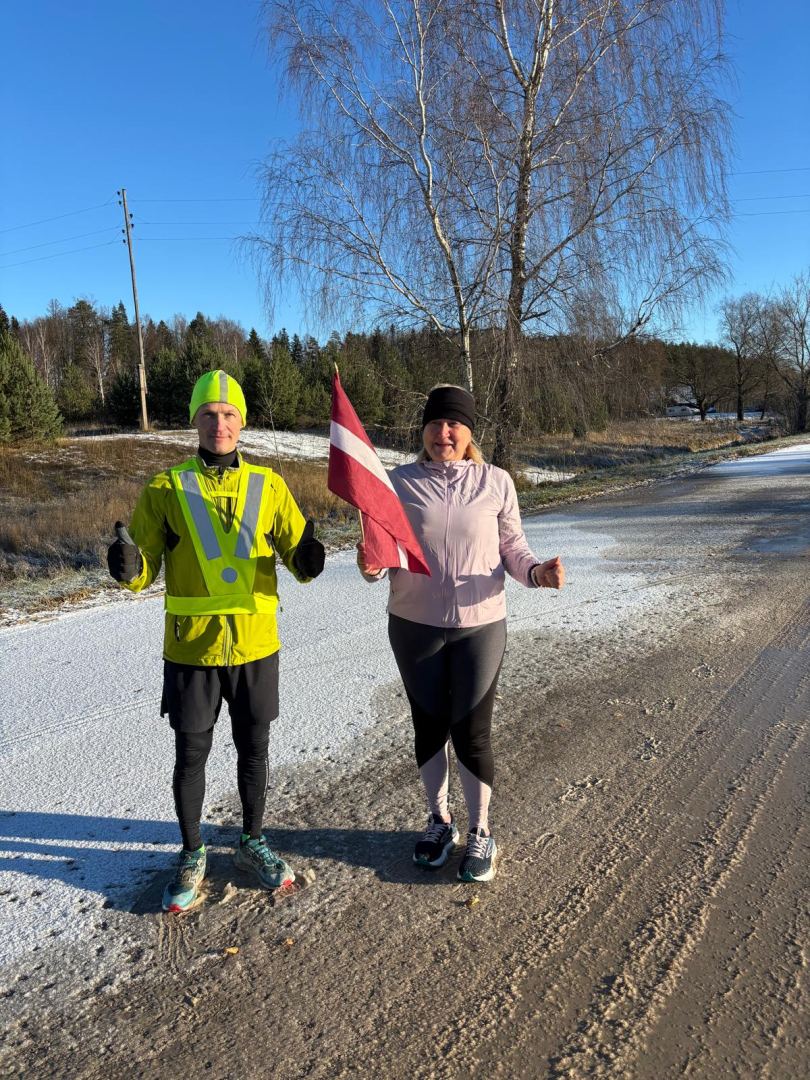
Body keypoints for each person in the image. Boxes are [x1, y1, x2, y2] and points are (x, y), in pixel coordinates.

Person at [107, 370, 325, 912]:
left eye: (229, 415)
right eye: (208, 414)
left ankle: (253, 842)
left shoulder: (269, 485)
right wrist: (128, 568)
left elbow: (297, 556)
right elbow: (144, 569)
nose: (219, 424)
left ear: (242, 422)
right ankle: (192, 852)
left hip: (255, 646)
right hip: (192, 649)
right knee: (191, 755)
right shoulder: (165, 488)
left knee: (254, 750)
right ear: (194, 421)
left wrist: (309, 558)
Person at [357, 384, 564, 883]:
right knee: (429, 727)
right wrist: (371, 567)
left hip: (480, 625)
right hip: (414, 623)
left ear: (469, 432)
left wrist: (535, 573)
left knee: (472, 732)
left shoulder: (496, 482)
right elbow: (383, 552)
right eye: (434, 423)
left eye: (453, 424)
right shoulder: (397, 483)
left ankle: (481, 831)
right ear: (423, 430)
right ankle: (439, 821)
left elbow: (512, 546)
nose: (443, 433)